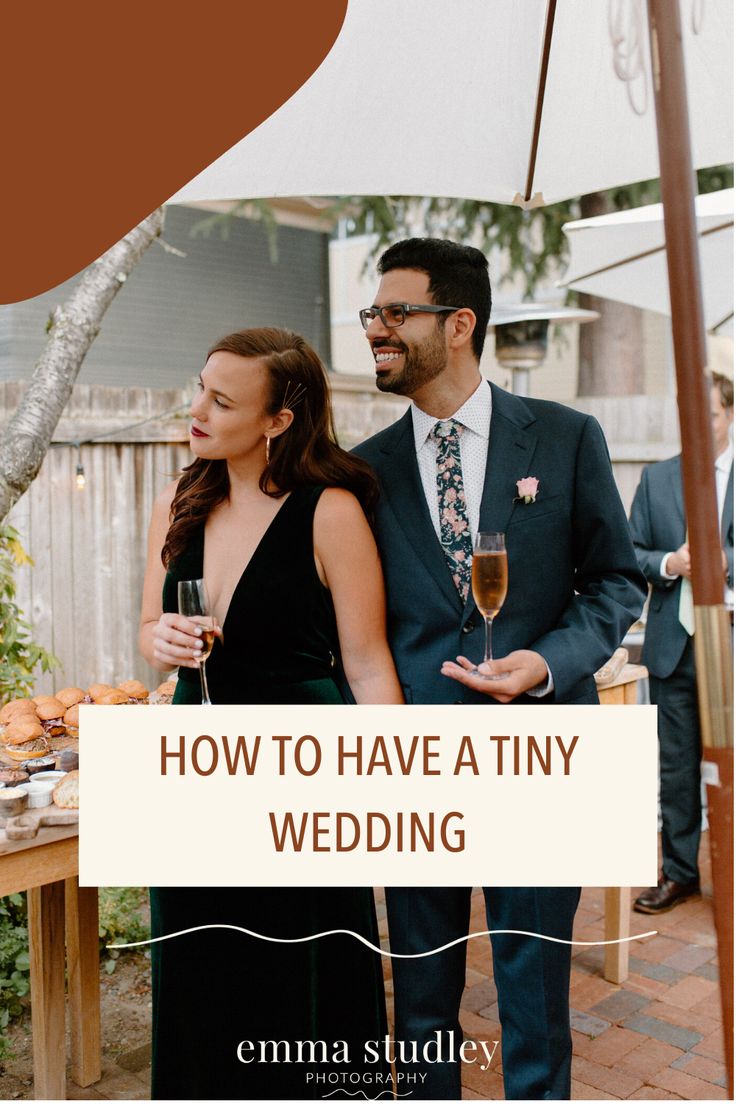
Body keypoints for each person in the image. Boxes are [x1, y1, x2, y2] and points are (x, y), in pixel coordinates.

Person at [353, 238, 646, 1101]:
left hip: (541, 753)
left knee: (534, 996)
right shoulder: (363, 471)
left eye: (396, 313)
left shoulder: (563, 438)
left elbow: (616, 580)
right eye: (375, 314)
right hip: (416, 767)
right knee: (421, 997)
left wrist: (546, 666)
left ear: (461, 322)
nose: (377, 329)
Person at [139, 327, 403, 1100]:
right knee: (200, 969)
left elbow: (366, 662)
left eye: (222, 401)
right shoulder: (177, 499)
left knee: (301, 975)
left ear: (278, 420)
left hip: (304, 775)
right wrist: (161, 639)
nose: (196, 411)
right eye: (199, 389)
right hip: (195, 770)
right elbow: (147, 632)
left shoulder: (331, 512)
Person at [629, 371, 733, 914]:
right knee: (675, 768)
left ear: (729, 415)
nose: (699, 425)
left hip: (730, 649)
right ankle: (680, 873)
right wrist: (671, 562)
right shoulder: (658, 478)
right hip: (673, 645)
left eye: (710, 414)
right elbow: (632, 551)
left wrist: (719, 563)